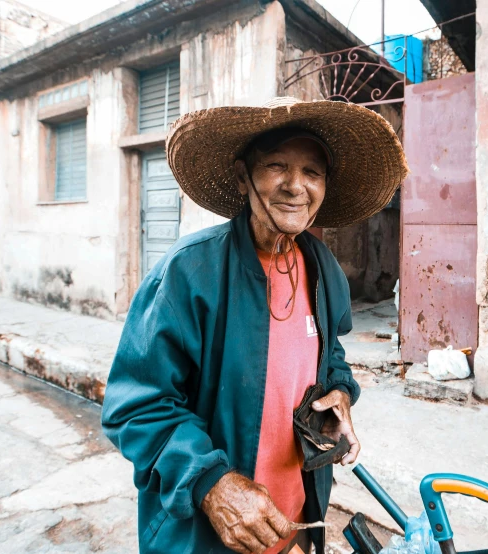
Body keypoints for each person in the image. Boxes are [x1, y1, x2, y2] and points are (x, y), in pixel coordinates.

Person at [101, 97, 408, 554]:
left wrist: (340, 395)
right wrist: (212, 484)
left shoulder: (323, 267)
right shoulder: (190, 272)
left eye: (312, 172)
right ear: (245, 176)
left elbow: (332, 355)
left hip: (294, 521)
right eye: (276, 166)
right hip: (206, 535)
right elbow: (136, 407)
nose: (295, 186)